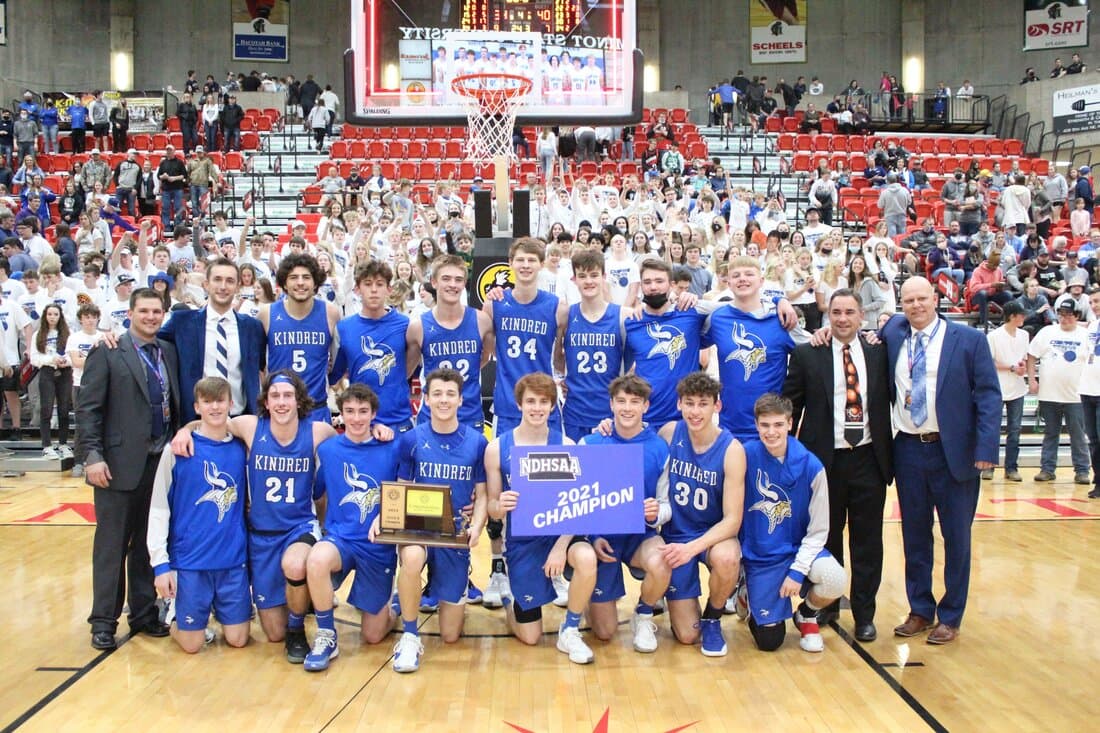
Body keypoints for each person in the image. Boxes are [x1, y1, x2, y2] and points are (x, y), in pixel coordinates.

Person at [170, 371, 339, 662]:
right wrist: (184, 430)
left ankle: (297, 630)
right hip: (261, 535)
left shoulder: (318, 431)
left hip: (298, 527)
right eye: (275, 396)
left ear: (298, 400)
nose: (282, 402)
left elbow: (350, 443)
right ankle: (293, 606)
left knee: (295, 565)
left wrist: (377, 431)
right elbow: (210, 420)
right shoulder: (249, 426)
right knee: (273, 632)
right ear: (266, 401)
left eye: (288, 396)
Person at [881, 277, 1000, 645]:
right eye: (908, 300)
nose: (916, 305)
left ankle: (951, 615)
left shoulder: (969, 340)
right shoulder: (893, 334)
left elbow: (989, 396)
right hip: (908, 449)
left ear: (936, 298)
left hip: (955, 452)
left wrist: (986, 449)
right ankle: (920, 609)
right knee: (914, 535)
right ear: (901, 304)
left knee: (956, 537)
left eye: (922, 298)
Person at [783, 289, 892, 642]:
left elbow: (904, 324)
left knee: (868, 541)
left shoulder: (880, 351)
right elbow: (790, 406)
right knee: (826, 537)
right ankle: (826, 604)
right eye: (836, 312)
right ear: (827, 316)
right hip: (823, 461)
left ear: (861, 316)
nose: (842, 318)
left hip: (869, 458)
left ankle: (864, 614)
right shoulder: (807, 354)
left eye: (849, 312)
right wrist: (788, 458)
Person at [77, 288, 180, 650]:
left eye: (156, 311)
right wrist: (92, 455)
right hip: (117, 465)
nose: (151, 317)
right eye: (144, 311)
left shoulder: (167, 351)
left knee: (148, 544)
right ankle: (103, 621)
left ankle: (144, 613)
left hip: (159, 462)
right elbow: (88, 409)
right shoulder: (107, 350)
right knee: (112, 545)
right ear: (130, 313)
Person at [485, 373, 599, 664]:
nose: (537, 408)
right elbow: (492, 508)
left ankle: (570, 628)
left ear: (552, 406)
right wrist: (501, 505)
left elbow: (580, 505)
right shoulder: (497, 448)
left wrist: (560, 547)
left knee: (586, 557)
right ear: (519, 404)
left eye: (544, 402)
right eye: (531, 401)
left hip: (562, 536)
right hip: (523, 541)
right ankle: (510, 597)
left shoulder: (568, 445)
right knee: (530, 636)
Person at [391, 368, 488, 673]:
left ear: (461, 399)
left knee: (450, 635)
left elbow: (483, 495)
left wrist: (477, 526)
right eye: (437, 394)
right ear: (426, 399)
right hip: (419, 529)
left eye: (450, 394)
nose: (443, 400)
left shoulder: (477, 442)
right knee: (411, 557)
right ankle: (409, 634)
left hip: (454, 534)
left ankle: (443, 589)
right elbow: (402, 488)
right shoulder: (411, 440)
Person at [736, 393, 847, 653]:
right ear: (756, 425)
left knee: (835, 578)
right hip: (762, 555)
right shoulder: (743, 456)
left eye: (778, 424)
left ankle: (806, 615)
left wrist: (798, 571)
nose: (771, 432)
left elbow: (819, 530)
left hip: (799, 549)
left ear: (790, 423)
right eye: (765, 425)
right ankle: (745, 591)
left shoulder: (812, 467)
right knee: (770, 642)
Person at [147, 376, 251, 653]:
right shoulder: (177, 450)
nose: (215, 407)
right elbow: (158, 508)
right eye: (207, 402)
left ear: (231, 404)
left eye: (220, 401)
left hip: (232, 560)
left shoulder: (242, 448)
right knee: (192, 645)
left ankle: (213, 612)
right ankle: (173, 616)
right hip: (190, 561)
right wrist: (160, 565)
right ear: (197, 407)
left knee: (238, 639)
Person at [302, 384, 401, 671]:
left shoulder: (392, 447)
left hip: (377, 546)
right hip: (341, 539)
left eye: (363, 411)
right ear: (341, 414)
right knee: (316, 559)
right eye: (350, 411)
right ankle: (326, 635)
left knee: (373, 635)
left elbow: (405, 491)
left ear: (374, 414)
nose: (356, 418)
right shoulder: (329, 450)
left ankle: (394, 606)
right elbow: (316, 492)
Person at [581, 375, 672, 654]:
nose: (627, 408)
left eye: (634, 402)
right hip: (603, 540)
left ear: (645, 406)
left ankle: (643, 614)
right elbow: (575, 502)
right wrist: (591, 536)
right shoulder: (590, 443)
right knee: (604, 632)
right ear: (611, 404)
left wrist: (655, 514)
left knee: (662, 560)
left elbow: (666, 505)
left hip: (639, 536)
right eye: (621, 401)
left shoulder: (659, 448)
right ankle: (586, 593)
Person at [657, 372, 745, 656]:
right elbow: (637, 443)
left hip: (712, 537)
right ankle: (675, 600)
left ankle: (713, 617)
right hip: (675, 535)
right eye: (689, 403)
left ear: (716, 406)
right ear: (679, 404)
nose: (695, 412)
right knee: (686, 636)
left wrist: (692, 548)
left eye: (703, 404)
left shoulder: (732, 450)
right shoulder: (668, 433)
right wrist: (609, 426)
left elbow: (732, 520)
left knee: (727, 558)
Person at [157, 257, 266, 424]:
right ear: (206, 284)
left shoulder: (253, 327)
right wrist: (113, 337)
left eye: (230, 281)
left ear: (238, 287)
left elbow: (260, 368)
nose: (223, 286)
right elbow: (148, 337)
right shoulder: (182, 322)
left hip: (241, 419)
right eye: (217, 279)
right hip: (196, 422)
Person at [258, 253, 341, 424]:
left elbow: (337, 360)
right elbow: (259, 366)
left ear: (315, 283)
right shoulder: (267, 314)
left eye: (306, 277)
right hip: (279, 411)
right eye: (293, 277)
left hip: (316, 409)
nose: (300, 282)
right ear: (284, 283)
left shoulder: (330, 313)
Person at [332, 260, 414, 431]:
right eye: (368, 284)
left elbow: (412, 365)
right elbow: (334, 375)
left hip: (398, 420)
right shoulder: (344, 328)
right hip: (362, 424)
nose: (374, 290)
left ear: (389, 289)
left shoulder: (405, 324)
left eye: (380, 284)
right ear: (357, 289)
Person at [557, 250, 626, 441]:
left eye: (594, 275)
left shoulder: (622, 315)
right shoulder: (566, 315)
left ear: (604, 277)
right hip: (575, 412)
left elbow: (632, 362)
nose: (588, 281)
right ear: (574, 279)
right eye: (582, 276)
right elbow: (557, 356)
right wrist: (563, 378)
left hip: (610, 413)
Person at [1027, 297, 1091, 485]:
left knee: (1078, 435)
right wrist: (1032, 380)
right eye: (1062, 315)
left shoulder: (1085, 335)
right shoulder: (1047, 332)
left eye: (1069, 315)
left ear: (1077, 316)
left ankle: (1082, 470)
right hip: (1049, 395)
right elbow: (1031, 355)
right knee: (1050, 433)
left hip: (1076, 396)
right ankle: (1047, 469)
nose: (1065, 318)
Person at [985, 301, 1029, 483]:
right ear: (1012, 316)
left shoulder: (1024, 335)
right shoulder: (994, 336)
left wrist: (1022, 366)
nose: (1024, 317)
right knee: (992, 429)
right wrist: (1011, 367)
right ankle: (988, 466)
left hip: (1017, 388)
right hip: (997, 389)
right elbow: (989, 362)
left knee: (1015, 430)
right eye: (1021, 315)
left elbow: (1024, 357)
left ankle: (1011, 467)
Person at [1081, 289, 1100, 499]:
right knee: (1093, 440)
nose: (1094, 305)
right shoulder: (1092, 326)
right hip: (1087, 389)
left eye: (1097, 301)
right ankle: (1098, 480)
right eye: (1092, 302)